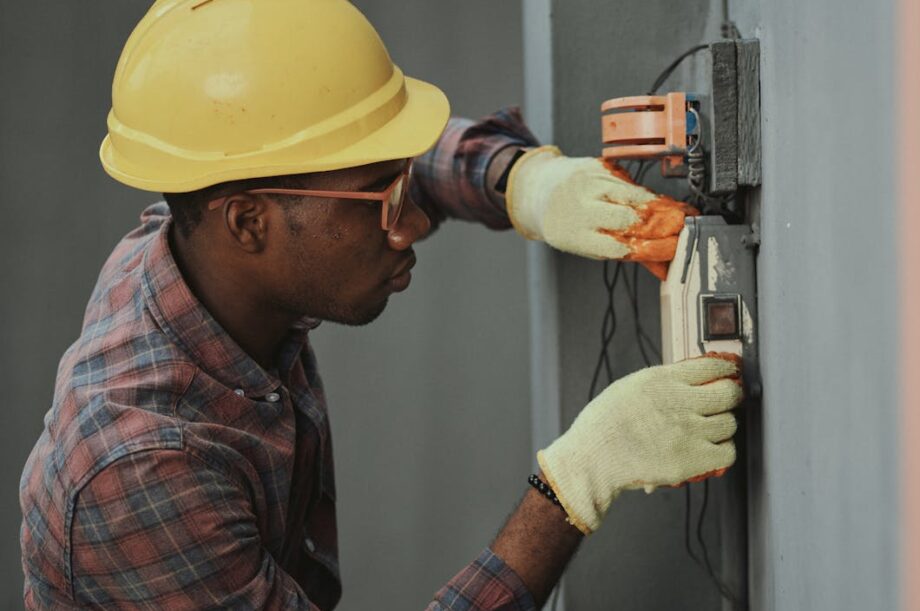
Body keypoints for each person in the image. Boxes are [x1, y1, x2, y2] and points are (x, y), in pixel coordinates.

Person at [19, 1, 744, 609]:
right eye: (382, 199)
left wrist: (521, 181)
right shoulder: (141, 471)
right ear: (248, 223)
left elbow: (353, 167)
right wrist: (572, 484)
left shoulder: (200, 236)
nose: (410, 223)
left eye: (400, 185)